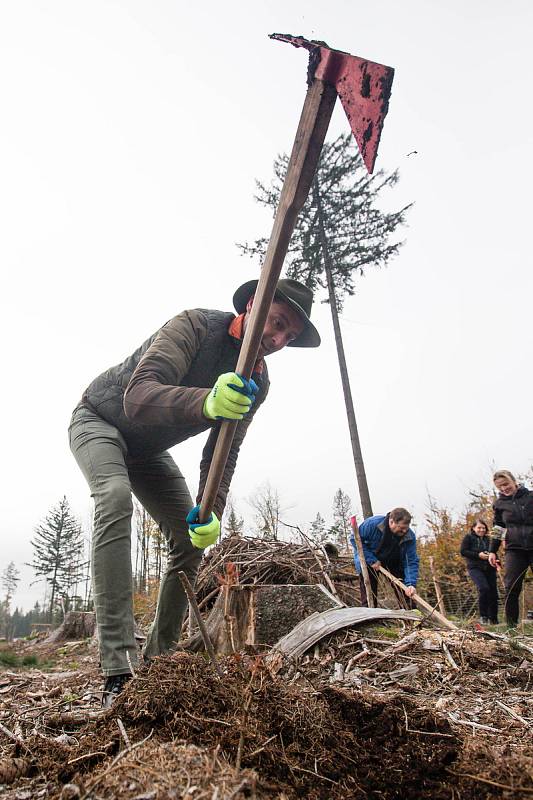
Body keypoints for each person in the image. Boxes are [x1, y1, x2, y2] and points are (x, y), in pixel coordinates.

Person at [69, 278, 320, 706]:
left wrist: (211, 509)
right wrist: (207, 400)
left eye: (288, 335)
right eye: (276, 322)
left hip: (147, 452)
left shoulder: (256, 380)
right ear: (253, 304)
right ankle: (118, 668)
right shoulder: (196, 327)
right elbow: (138, 396)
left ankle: (160, 662)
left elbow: (224, 453)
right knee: (113, 498)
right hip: (100, 420)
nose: (277, 339)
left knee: (189, 537)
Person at [488, 470, 533, 629]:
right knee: (511, 587)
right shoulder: (499, 504)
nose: (504, 488)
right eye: (500, 487)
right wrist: (492, 550)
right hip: (514, 549)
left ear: (514, 481)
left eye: (506, 484)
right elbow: (498, 527)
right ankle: (511, 628)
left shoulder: (530, 497)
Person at [350, 509, 419, 608]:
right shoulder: (372, 524)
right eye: (401, 528)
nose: (404, 531)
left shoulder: (409, 536)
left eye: (406, 528)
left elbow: (410, 561)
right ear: (391, 522)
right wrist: (371, 560)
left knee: (405, 592)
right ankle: (370, 617)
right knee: (369, 590)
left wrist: (411, 584)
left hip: (394, 561)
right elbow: (355, 539)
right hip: (370, 560)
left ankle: (412, 618)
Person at [460, 519, 498, 624]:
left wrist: (496, 560)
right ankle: (483, 616)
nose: (481, 530)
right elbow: (463, 551)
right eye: (479, 528)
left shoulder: (488, 539)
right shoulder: (468, 538)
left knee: (493, 592)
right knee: (483, 588)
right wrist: (478, 555)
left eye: (483, 528)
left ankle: (493, 618)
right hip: (475, 567)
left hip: (490, 567)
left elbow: (493, 552)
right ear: (473, 528)